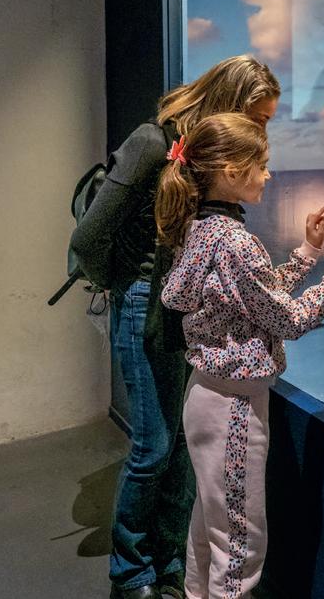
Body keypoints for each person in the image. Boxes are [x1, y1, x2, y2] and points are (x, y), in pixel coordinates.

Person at [70, 56, 281, 599]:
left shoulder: (207, 156)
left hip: (185, 309)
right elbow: (88, 240)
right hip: (145, 302)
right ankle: (130, 573)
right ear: (232, 103)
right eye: (258, 118)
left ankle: (168, 563)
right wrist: (127, 285)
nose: (262, 131)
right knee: (154, 447)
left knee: (183, 447)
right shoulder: (152, 143)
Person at [156, 113, 324, 598]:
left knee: (209, 527)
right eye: (262, 164)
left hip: (204, 396)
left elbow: (256, 299)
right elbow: (286, 319)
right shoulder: (235, 242)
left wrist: (307, 252)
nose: (268, 175)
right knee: (239, 547)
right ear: (232, 171)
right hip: (234, 408)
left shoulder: (203, 230)